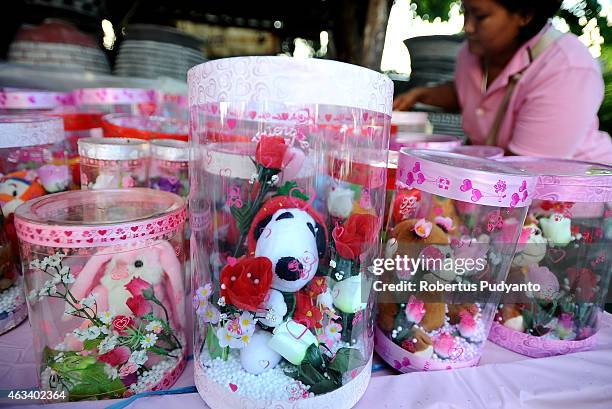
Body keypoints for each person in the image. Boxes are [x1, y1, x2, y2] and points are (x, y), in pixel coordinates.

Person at [393, 0, 612, 163]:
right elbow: (473, 96)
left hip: (566, 206)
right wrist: (421, 94)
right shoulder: (470, 55)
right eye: (465, 11)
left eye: (479, 16)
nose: (467, 26)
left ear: (525, 14)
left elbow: (524, 171)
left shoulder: (566, 68)